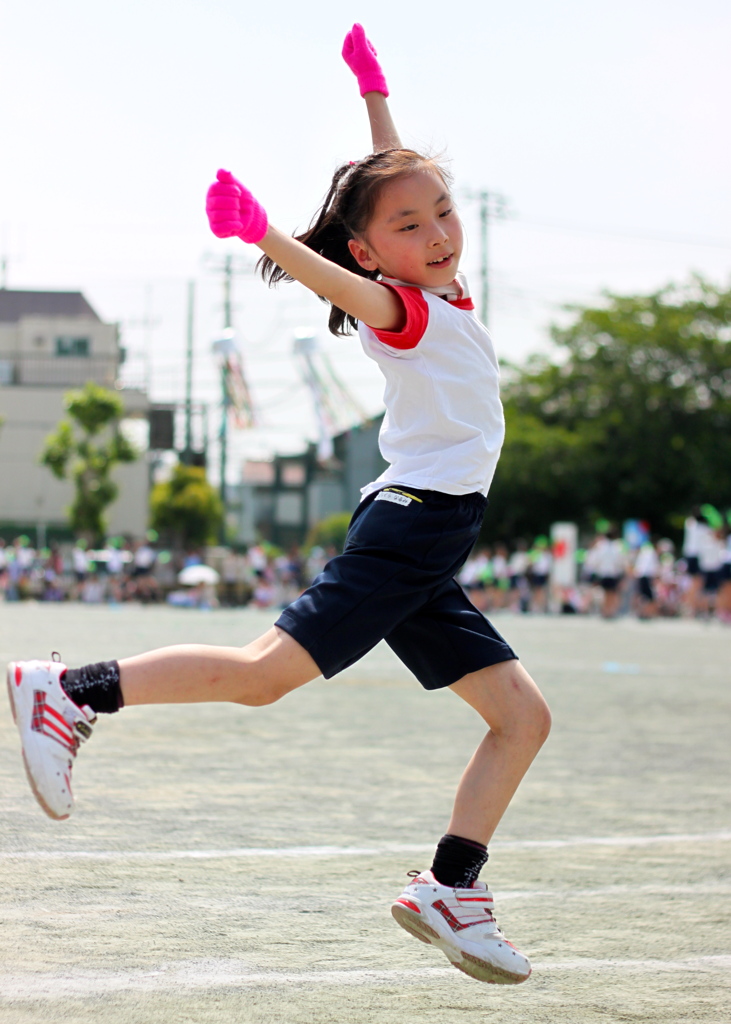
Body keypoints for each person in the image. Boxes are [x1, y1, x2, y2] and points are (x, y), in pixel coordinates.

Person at [6, 25, 550, 987]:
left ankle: (450, 888)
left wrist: (374, 92)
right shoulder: (403, 307)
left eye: (442, 214)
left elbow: (394, 177)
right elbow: (349, 278)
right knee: (263, 677)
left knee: (520, 717)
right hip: (411, 528)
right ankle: (70, 692)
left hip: (431, 537)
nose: (437, 233)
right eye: (411, 228)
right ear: (368, 252)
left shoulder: (442, 285)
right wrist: (264, 235)